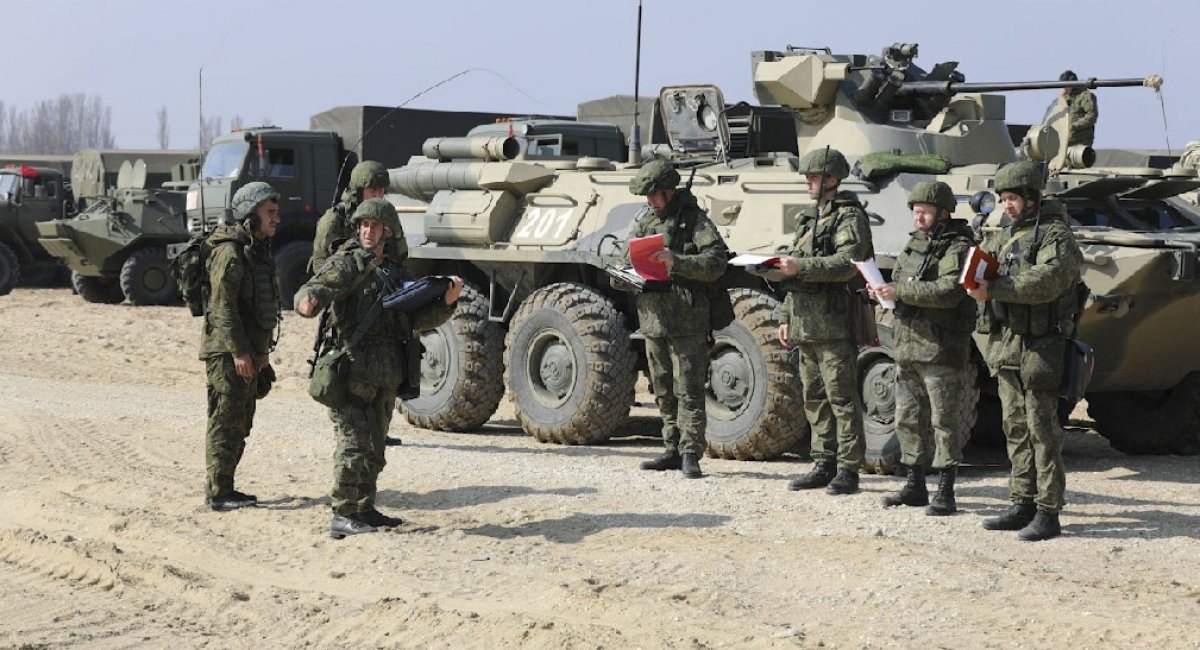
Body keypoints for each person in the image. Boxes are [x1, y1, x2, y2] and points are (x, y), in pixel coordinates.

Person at [295, 198, 463, 538]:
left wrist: (446, 302)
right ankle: (343, 513)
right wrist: (308, 300)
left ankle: (364, 508)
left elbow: (414, 319)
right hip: (353, 371)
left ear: (388, 231)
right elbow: (319, 285)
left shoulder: (396, 273)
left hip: (386, 373)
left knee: (375, 446)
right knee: (353, 445)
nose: (368, 231)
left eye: (374, 226)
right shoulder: (348, 263)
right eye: (363, 226)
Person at [966, 161, 1083, 541]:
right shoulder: (1003, 236)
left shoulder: (1054, 235)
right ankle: (1022, 502)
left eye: (1013, 198)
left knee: (1042, 430)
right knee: (1013, 427)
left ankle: (1049, 511)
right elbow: (979, 265)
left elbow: (1047, 280)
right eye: (1003, 199)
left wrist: (995, 289)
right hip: (1008, 343)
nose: (1007, 205)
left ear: (1032, 198)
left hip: (1042, 346)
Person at [616, 158, 728, 479]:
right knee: (662, 387)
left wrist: (677, 261)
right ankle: (671, 447)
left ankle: (691, 452)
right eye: (647, 197)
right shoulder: (645, 222)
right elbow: (626, 260)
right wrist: (622, 275)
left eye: (654, 195)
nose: (650, 202)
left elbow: (716, 261)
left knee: (688, 388)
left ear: (669, 191)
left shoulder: (694, 221)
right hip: (653, 319)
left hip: (687, 319)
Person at [869, 181, 976, 515]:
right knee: (908, 419)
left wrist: (899, 292)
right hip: (907, 346)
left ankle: (945, 490)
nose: (919, 218)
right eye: (915, 211)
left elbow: (949, 291)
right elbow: (900, 280)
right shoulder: (914, 245)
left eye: (925, 212)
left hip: (939, 348)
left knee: (944, 422)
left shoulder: (957, 247)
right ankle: (914, 485)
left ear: (943, 213)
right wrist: (882, 292)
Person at [776, 148, 874, 495]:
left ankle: (848, 468)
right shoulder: (806, 219)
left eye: (813, 177)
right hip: (805, 322)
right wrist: (786, 315)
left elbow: (848, 263)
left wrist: (800, 268)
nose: (808, 182)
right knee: (814, 397)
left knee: (841, 398)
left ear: (832, 180)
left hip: (834, 324)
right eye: (807, 177)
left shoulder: (849, 217)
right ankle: (823, 461)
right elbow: (795, 269)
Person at [200, 181, 282, 511]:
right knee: (226, 420)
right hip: (228, 353)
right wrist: (238, 352)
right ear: (251, 215)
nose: (277, 219)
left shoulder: (257, 251)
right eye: (270, 213)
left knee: (242, 421)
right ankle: (219, 492)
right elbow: (223, 308)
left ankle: (226, 486)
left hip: (249, 351)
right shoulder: (230, 253)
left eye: (277, 213)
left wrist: (260, 353)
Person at [308, 160, 392, 274]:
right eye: (372, 191)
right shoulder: (334, 218)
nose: (377, 196)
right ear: (358, 192)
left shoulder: (383, 217)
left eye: (381, 191)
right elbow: (320, 262)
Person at [1059, 70, 1097, 147]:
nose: (1064, 89)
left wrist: (1074, 126)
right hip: (1067, 141)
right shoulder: (1067, 96)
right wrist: (1060, 99)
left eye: (1066, 86)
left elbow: (1092, 116)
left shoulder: (1085, 96)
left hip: (1081, 141)